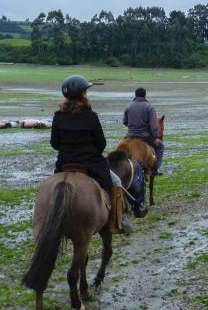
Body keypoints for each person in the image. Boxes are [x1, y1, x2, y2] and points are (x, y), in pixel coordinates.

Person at [51, 75, 131, 234]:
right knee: (115, 181)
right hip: (90, 163)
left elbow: (55, 144)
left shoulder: (58, 116)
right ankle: (117, 220)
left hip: (64, 163)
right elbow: (101, 143)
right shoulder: (91, 116)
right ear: (83, 94)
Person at [123, 87, 164, 175]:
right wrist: (156, 137)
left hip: (130, 135)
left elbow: (124, 122)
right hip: (144, 136)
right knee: (160, 147)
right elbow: (153, 125)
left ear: (135, 95)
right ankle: (155, 168)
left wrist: (133, 127)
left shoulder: (128, 106)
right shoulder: (149, 107)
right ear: (145, 95)